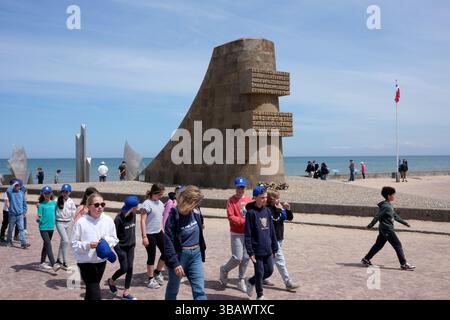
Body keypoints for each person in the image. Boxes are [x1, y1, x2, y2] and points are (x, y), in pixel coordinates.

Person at [71, 193, 119, 300]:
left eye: (102, 204)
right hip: (85, 262)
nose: (100, 207)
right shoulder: (81, 222)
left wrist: (105, 242)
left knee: (91, 291)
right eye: (97, 205)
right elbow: (74, 244)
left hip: (101, 261)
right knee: (96, 293)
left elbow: (114, 238)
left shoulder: (108, 220)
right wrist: (88, 245)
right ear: (88, 206)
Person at [164, 185, 207, 300]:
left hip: (196, 254)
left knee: (200, 291)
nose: (197, 205)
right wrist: (175, 263)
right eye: (195, 202)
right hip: (179, 256)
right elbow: (168, 242)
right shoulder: (173, 215)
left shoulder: (196, 211)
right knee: (173, 290)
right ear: (188, 202)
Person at [361, 186, 415, 271]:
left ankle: (366, 259)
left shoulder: (389, 205)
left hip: (384, 229)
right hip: (387, 229)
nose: (394, 196)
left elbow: (395, 216)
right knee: (398, 245)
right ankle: (403, 264)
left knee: (378, 245)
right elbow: (377, 216)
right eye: (393, 194)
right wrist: (370, 226)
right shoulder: (386, 206)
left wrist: (405, 223)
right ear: (389, 196)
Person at [219, 177, 253, 292]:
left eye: (242, 187)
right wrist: (244, 221)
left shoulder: (249, 200)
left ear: (245, 187)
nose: (240, 189)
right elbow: (231, 217)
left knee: (246, 257)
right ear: (236, 187)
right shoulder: (231, 201)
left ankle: (241, 280)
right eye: (239, 187)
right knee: (237, 257)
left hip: (248, 233)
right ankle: (224, 269)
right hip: (236, 233)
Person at [245, 186, 278, 300]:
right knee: (259, 272)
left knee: (269, 271)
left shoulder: (267, 210)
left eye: (265, 197)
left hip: (268, 248)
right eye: (262, 197)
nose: (265, 199)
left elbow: (272, 230)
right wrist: (250, 251)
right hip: (256, 249)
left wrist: (274, 247)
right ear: (255, 198)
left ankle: (250, 281)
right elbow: (248, 234)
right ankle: (260, 295)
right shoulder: (251, 213)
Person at [266, 190, 300, 291]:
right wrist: (280, 210)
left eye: (278, 197)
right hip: (273, 239)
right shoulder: (268, 209)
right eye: (276, 198)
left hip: (280, 237)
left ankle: (263, 276)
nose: (278, 200)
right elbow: (275, 219)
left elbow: (289, 218)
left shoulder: (278, 207)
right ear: (271, 199)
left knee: (272, 260)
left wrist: (288, 209)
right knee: (280, 260)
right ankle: (287, 282)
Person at [108, 195, 140, 300]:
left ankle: (126, 293)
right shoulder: (118, 219)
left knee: (130, 268)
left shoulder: (133, 215)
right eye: (137, 206)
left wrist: (133, 242)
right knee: (124, 268)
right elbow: (112, 237)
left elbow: (131, 231)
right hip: (121, 248)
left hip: (131, 246)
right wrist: (118, 251)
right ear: (132, 207)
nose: (138, 208)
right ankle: (112, 280)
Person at [140, 183, 167, 289]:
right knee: (151, 256)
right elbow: (142, 221)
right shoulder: (146, 204)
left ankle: (157, 272)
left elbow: (159, 219)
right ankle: (150, 279)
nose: (161, 196)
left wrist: (163, 230)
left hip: (159, 232)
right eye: (160, 194)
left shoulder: (160, 203)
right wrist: (144, 236)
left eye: (162, 195)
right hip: (149, 234)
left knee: (166, 252)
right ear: (154, 193)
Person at [37, 186, 61, 272]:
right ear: (42, 194)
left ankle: (42, 263)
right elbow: (39, 216)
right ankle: (54, 264)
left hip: (51, 227)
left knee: (46, 245)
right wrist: (38, 219)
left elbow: (61, 207)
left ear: (51, 193)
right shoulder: (41, 205)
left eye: (48, 193)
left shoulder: (54, 203)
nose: (47, 194)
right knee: (48, 244)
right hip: (43, 227)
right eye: (45, 193)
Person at [55, 184, 77, 270]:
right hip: (59, 222)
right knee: (66, 241)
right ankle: (65, 262)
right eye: (63, 191)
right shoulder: (57, 200)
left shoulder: (71, 201)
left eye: (66, 192)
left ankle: (58, 259)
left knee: (63, 242)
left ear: (70, 192)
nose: (65, 193)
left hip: (68, 223)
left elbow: (74, 212)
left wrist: (75, 221)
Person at [5, 180, 30, 248]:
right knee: (10, 229)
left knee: (21, 229)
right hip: (12, 214)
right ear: (13, 186)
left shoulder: (21, 193)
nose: (17, 187)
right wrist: (13, 184)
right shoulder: (10, 192)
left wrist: (24, 212)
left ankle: (23, 243)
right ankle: (8, 242)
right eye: (15, 185)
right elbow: (7, 190)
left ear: (20, 186)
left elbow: (24, 204)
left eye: (18, 185)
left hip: (20, 215)